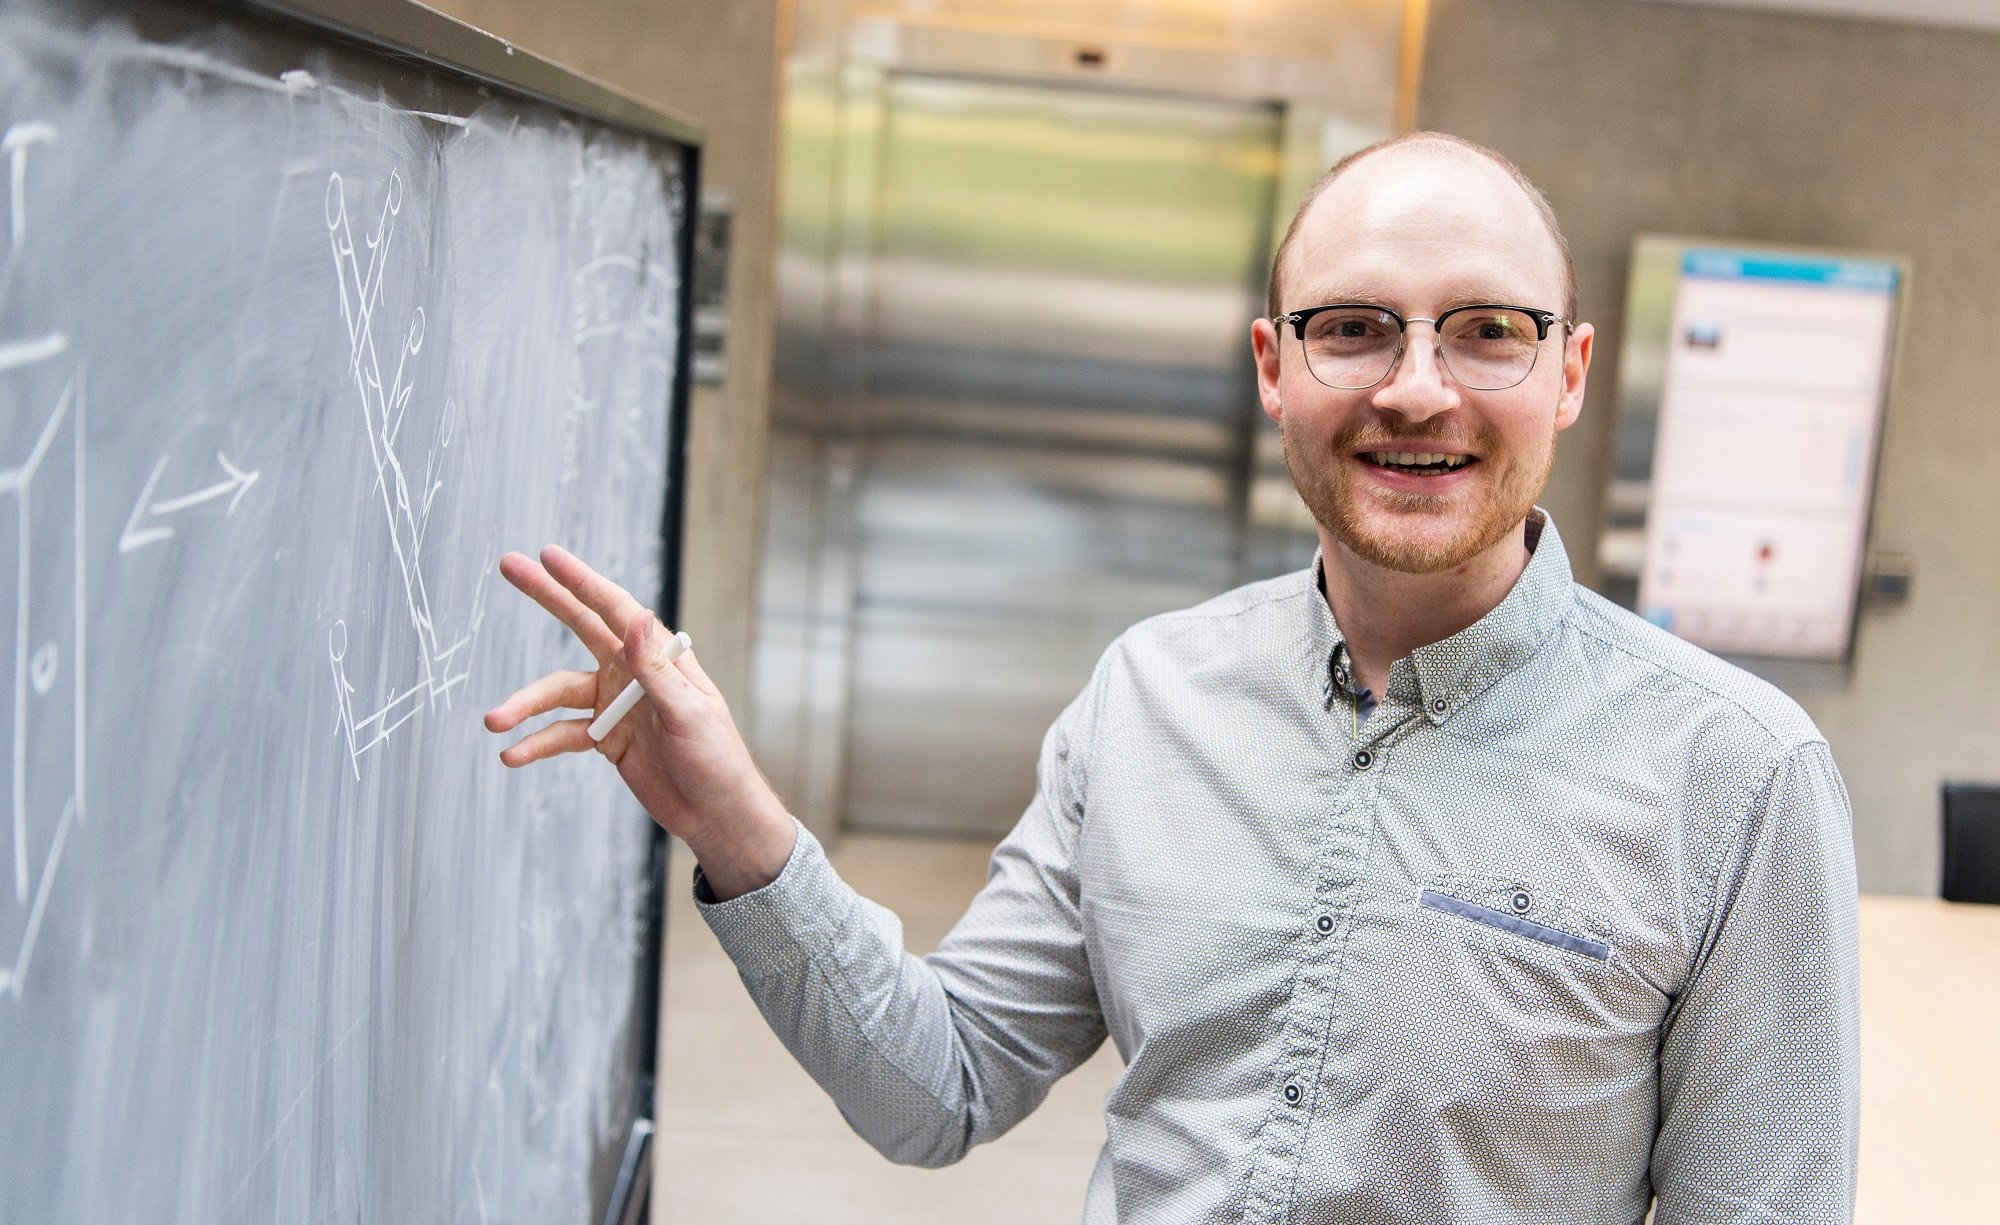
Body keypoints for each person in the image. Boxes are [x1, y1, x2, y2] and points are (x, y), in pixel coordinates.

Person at [484, 131, 1859, 1224]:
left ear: (1568, 371)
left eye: (1489, 329)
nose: (1419, 388)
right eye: (1357, 325)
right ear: (1275, 367)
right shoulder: (1150, 694)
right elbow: (940, 1085)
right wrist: (738, 823)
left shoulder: (1735, 777)